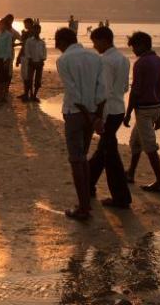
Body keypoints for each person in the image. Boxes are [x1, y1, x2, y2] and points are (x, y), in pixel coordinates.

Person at [54, 27, 106, 221]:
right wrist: (97, 116)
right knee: (82, 157)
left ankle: (84, 207)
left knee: (76, 159)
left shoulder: (64, 60)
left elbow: (73, 93)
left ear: (62, 42)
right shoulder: (95, 58)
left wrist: (90, 117)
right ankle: (85, 202)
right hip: (92, 111)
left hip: (76, 113)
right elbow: (102, 90)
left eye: (57, 43)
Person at [87, 26, 132, 209]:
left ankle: (121, 197)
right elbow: (124, 88)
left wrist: (98, 116)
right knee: (104, 150)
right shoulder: (123, 58)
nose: (95, 46)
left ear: (104, 40)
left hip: (108, 111)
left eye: (95, 42)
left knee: (110, 155)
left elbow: (103, 92)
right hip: (118, 108)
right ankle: (88, 182)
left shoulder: (105, 61)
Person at [125, 31, 160, 194]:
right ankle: (130, 172)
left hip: (144, 108)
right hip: (156, 107)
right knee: (136, 141)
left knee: (149, 145)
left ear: (142, 45)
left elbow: (135, 91)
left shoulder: (141, 63)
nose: (133, 51)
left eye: (134, 47)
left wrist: (128, 112)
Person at [0, 16, 17, 103]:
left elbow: (8, 48)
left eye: (2, 24)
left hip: (5, 59)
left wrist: (7, 60)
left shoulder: (8, 35)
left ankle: (3, 97)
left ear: (5, 25)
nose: (0, 26)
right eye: (0, 25)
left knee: (4, 78)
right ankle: (0, 95)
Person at [24, 24, 47, 102]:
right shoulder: (29, 41)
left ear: (40, 31)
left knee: (38, 80)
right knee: (29, 79)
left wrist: (42, 59)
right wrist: (30, 59)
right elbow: (26, 51)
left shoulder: (42, 42)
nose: (37, 31)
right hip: (31, 62)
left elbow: (44, 52)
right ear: (33, 30)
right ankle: (29, 93)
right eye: (35, 29)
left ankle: (34, 95)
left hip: (39, 63)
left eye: (38, 30)